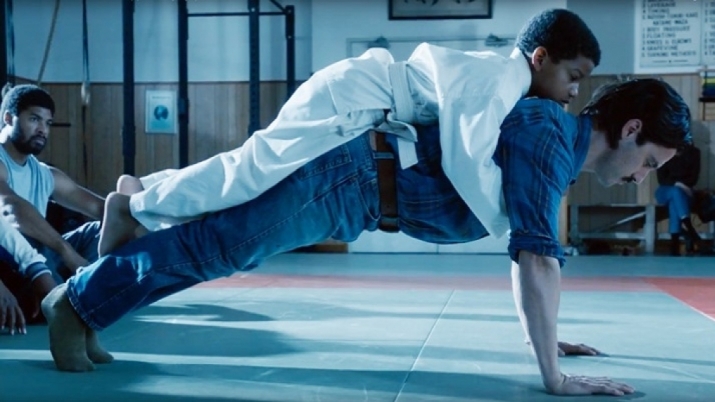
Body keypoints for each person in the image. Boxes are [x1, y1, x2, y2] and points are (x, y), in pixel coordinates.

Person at [42, 78, 690, 397]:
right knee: (215, 247)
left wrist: (542, 337)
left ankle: (94, 302)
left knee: (215, 245)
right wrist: (554, 377)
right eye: (650, 162)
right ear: (631, 130)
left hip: (353, 189)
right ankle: (76, 303)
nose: (642, 178)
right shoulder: (551, 138)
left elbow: (529, 255)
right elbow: (535, 260)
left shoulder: (554, 146)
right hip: (348, 180)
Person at [96, 8, 601, 256]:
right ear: (540, 57)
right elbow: (466, 161)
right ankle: (136, 205)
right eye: (573, 76)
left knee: (255, 170)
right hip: (353, 99)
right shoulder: (501, 80)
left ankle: (148, 191)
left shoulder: (506, 82)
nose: (574, 92)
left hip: (362, 100)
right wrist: (516, 225)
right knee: (255, 170)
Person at [0, 84, 106, 334]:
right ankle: (70, 297)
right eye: (34, 119)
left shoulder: (44, 173)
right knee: (34, 240)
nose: (43, 130)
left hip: (43, 257)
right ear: (8, 118)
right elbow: (11, 209)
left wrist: (149, 216)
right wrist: (66, 251)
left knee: (103, 229)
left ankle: (83, 291)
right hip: (12, 263)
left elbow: (102, 208)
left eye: (47, 123)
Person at [654, 143, 702, 255]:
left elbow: (693, 178)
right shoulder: (662, 151)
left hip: (685, 193)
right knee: (675, 192)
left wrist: (681, 186)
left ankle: (674, 245)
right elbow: (662, 179)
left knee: (674, 202)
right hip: (665, 191)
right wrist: (679, 184)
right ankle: (689, 228)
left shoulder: (694, 152)